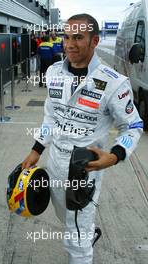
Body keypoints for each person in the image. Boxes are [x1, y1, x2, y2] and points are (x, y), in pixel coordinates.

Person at [22, 13, 143, 264]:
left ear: (95, 41)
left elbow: (133, 126)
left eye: (78, 38)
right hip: (55, 160)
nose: (69, 44)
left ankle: (83, 244)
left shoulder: (114, 83)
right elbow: (50, 117)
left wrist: (115, 155)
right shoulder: (54, 71)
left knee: (76, 235)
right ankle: (85, 233)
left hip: (83, 169)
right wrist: (36, 149)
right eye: (66, 37)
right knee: (65, 216)